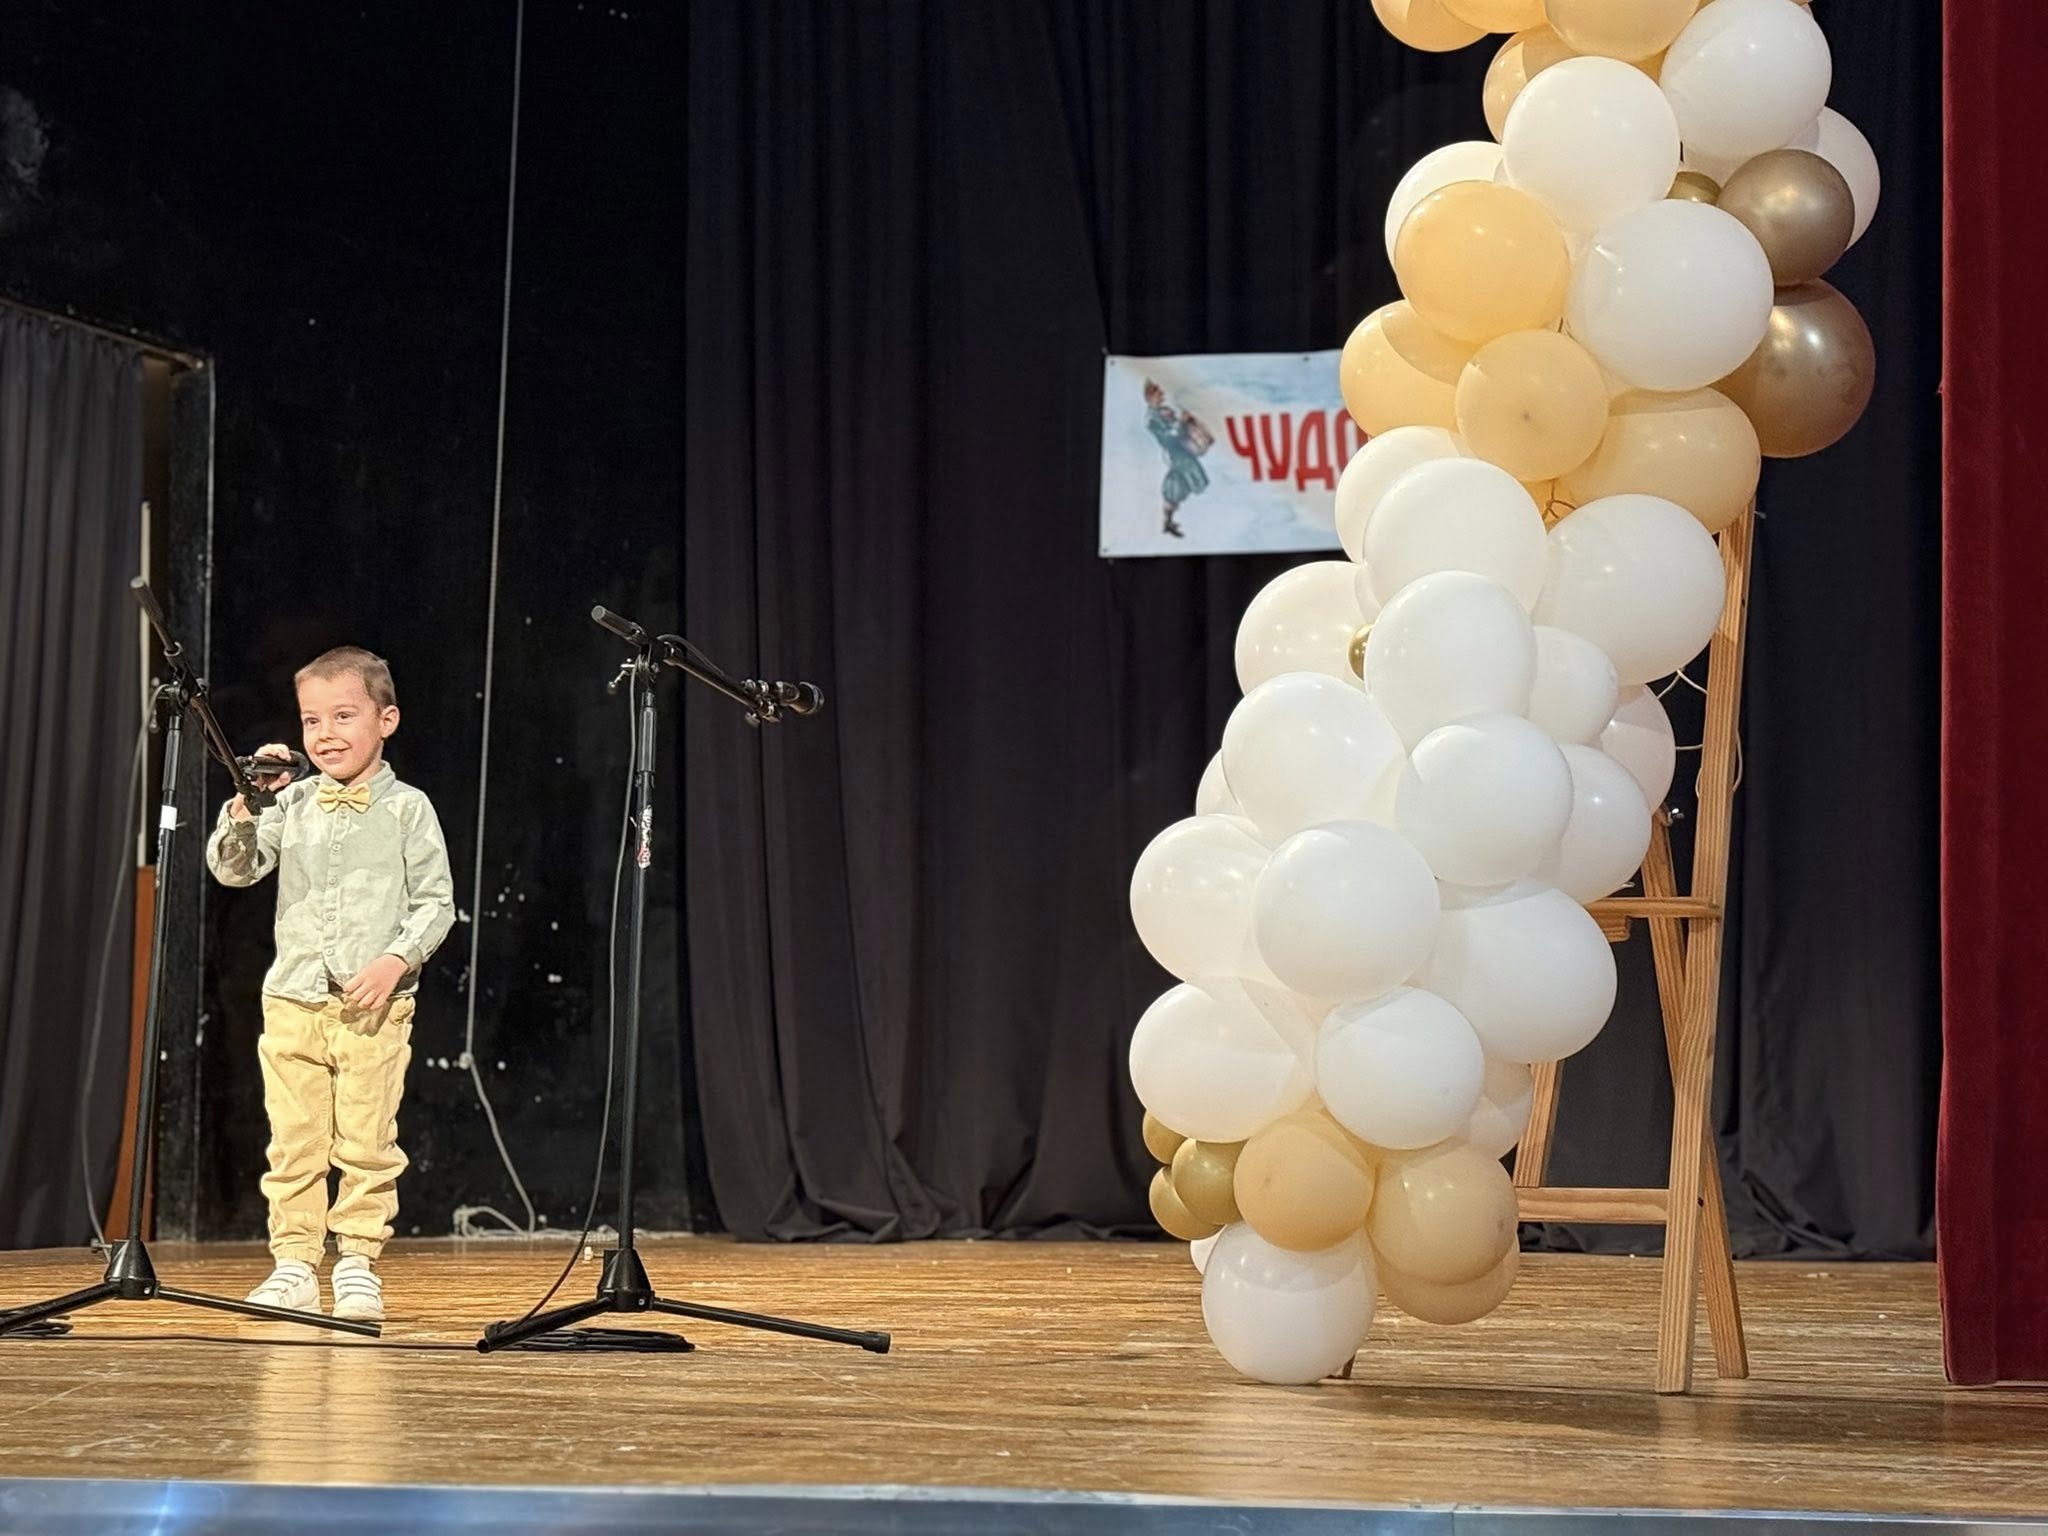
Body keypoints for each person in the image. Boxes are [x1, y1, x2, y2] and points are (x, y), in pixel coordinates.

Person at [205, 646, 454, 1322]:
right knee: (295, 1141)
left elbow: (435, 902)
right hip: (293, 998)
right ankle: (294, 1264)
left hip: (372, 1004)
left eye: (344, 716)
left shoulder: (408, 808)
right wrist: (250, 803)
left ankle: (356, 1263)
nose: (325, 734)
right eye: (312, 720)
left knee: (367, 1142)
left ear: (386, 720)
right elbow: (236, 869)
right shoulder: (293, 802)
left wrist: (396, 960)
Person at [1143, 378, 1215, 539]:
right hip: (1177, 454)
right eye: (1157, 393)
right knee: (1177, 486)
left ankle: (1169, 522)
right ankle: (1168, 522)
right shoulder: (1152, 418)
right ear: (1150, 396)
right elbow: (1169, 436)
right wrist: (1181, 423)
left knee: (1181, 485)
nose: (1161, 396)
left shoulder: (1161, 412)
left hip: (1182, 454)